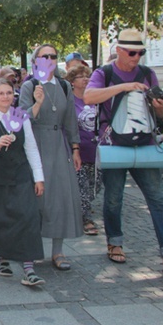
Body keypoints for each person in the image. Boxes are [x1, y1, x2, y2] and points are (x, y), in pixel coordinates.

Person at [84, 29, 163, 273]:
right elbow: (90, 96)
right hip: (115, 145)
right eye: (132, 52)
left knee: (158, 200)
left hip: (144, 143)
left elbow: (160, 113)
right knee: (113, 199)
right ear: (119, 51)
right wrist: (123, 87)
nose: (136, 57)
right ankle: (115, 243)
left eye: (141, 52)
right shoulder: (105, 72)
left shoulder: (147, 73)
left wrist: (161, 106)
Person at [0, 79, 46, 287]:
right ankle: (3, 257)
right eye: (1, 93)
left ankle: (28, 267)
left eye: (9, 93)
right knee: (1, 218)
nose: (5, 97)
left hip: (21, 173)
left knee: (28, 216)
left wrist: (39, 177)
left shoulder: (21, 118)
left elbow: (31, 148)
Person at [19, 44, 83, 270]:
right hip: (35, 144)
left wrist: (75, 148)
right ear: (36, 61)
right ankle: (32, 248)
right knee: (36, 199)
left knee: (60, 197)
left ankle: (58, 251)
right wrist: (37, 103)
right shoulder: (30, 86)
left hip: (58, 146)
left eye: (53, 56)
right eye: (44, 56)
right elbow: (21, 120)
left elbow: (71, 120)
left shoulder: (64, 86)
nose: (49, 60)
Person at [66, 65, 102, 236]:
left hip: (97, 150)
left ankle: (79, 210)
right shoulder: (69, 101)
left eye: (87, 76)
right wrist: (74, 148)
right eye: (81, 77)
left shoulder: (95, 99)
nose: (86, 79)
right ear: (72, 82)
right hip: (78, 150)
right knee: (82, 186)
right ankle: (85, 218)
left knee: (95, 185)